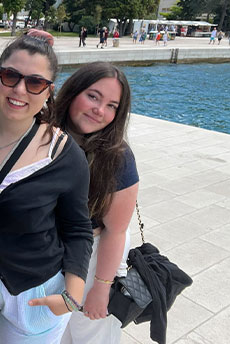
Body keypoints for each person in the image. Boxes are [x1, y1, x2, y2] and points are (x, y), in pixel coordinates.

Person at [0, 33, 93, 344]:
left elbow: (78, 227)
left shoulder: (63, 153)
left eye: (34, 82)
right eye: (10, 76)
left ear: (49, 91)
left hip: (35, 292)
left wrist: (72, 296)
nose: (19, 90)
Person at [56, 61, 139, 344]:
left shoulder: (117, 157)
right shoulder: (43, 133)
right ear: (73, 92)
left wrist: (101, 289)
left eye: (112, 105)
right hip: (45, 253)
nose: (99, 110)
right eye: (93, 96)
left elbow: (116, 230)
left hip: (93, 257)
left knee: (88, 334)